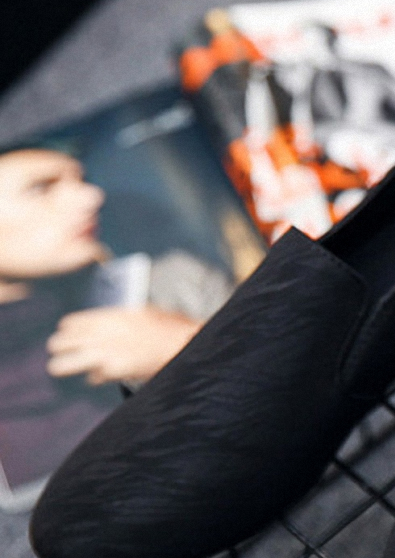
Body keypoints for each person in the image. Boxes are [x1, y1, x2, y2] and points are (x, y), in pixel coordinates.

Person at [0, 148, 233, 506]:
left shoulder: (175, 286)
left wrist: (194, 349)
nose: (91, 196)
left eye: (82, 179)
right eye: (40, 188)